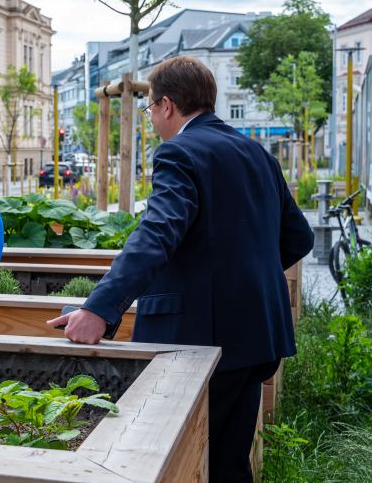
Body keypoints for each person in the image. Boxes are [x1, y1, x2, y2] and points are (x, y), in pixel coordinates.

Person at [48, 56, 313, 483]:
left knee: (178, 466)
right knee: (229, 465)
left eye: (150, 108)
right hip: (258, 334)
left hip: (197, 342)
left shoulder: (178, 152)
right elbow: (299, 238)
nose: (151, 118)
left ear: (167, 105)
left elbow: (157, 234)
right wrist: (243, 274)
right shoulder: (258, 153)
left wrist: (98, 309)